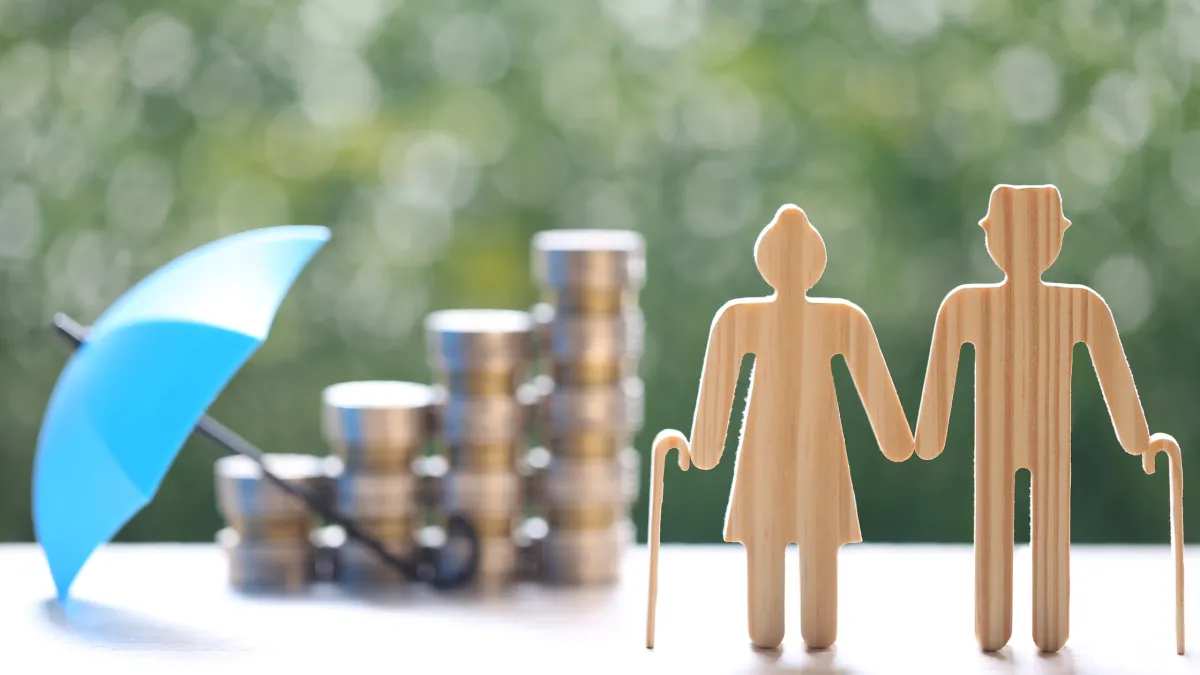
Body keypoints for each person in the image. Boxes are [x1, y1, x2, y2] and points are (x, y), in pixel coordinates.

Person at [913, 184, 1158, 652]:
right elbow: (939, 387)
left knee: (1043, 526)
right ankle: (1006, 626)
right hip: (1002, 442)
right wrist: (924, 436)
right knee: (1000, 524)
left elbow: (1116, 383)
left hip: (1045, 444)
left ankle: (1037, 628)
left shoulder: (1079, 307)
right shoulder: (968, 306)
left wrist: (1142, 442)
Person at [665, 204, 913, 650]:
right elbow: (881, 405)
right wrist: (901, 442)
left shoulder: (745, 318)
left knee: (780, 538)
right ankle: (797, 629)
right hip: (801, 453)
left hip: (784, 452)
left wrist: (697, 453)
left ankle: (783, 628)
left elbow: (715, 408)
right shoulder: (833, 318)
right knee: (799, 539)